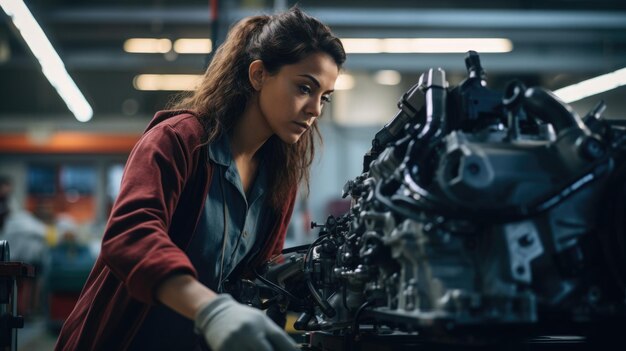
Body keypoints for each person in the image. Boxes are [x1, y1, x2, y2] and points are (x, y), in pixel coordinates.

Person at [55, 6, 345, 351]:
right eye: (304, 88)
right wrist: (210, 310)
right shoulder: (179, 141)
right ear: (258, 75)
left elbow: (261, 281)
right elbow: (130, 235)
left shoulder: (279, 179)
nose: (315, 109)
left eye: (324, 97)